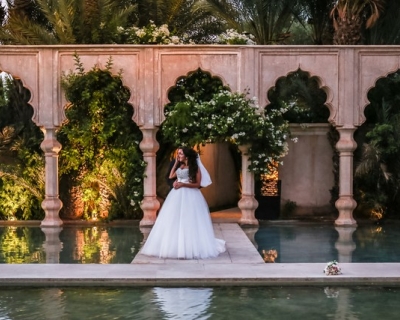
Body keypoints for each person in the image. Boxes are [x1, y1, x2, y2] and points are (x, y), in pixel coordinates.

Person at [140, 146, 226, 259]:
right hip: (176, 195)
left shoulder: (195, 168)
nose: (178, 155)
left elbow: (197, 184)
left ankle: (190, 245)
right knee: (174, 218)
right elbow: (171, 176)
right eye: (178, 153)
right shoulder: (180, 165)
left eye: (180, 154)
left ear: (187, 155)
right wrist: (176, 165)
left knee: (189, 218)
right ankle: (176, 244)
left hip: (191, 195)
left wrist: (182, 184)